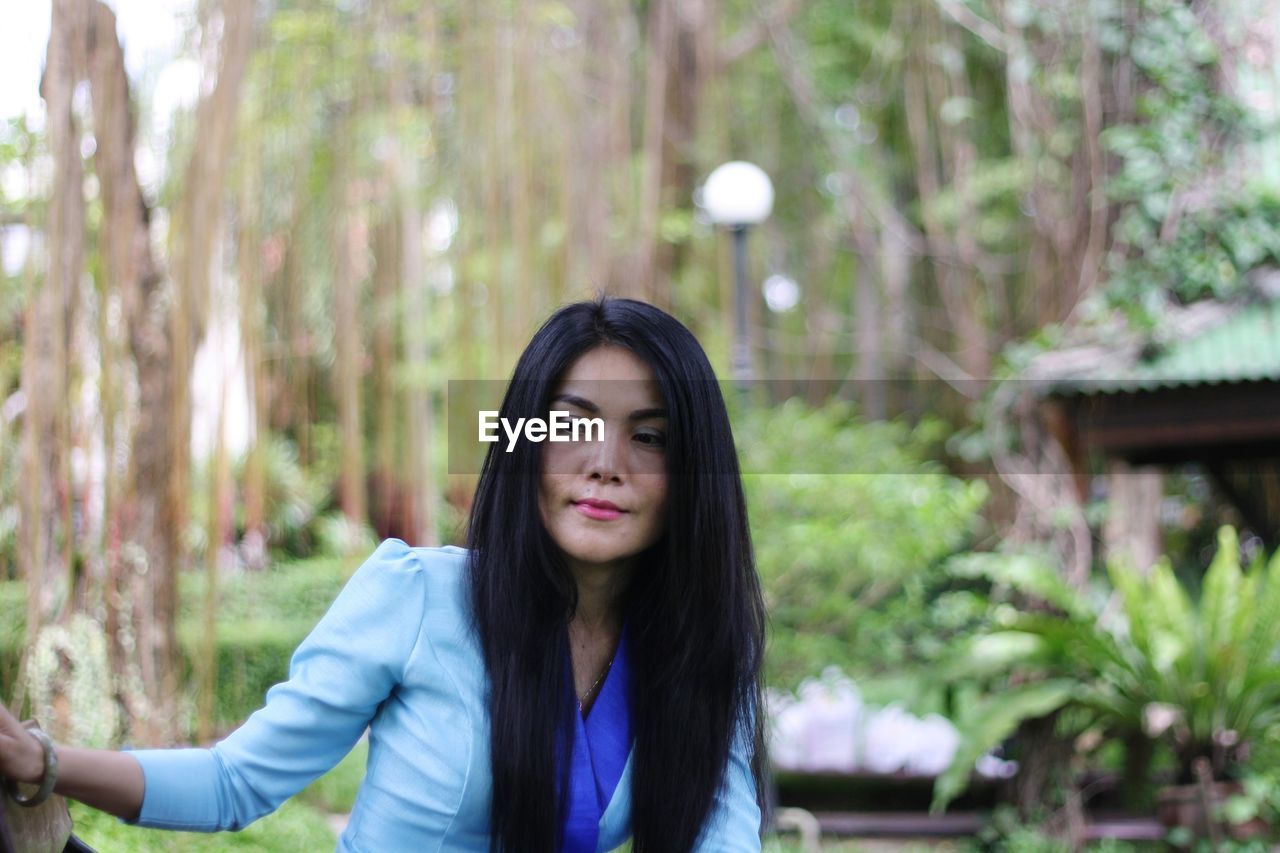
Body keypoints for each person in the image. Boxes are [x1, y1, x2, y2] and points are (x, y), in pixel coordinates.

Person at [0, 296, 768, 852]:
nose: (605, 463)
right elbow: (238, 781)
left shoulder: (701, 654)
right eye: (570, 427)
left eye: (651, 436)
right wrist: (48, 762)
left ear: (693, 474)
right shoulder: (420, 597)